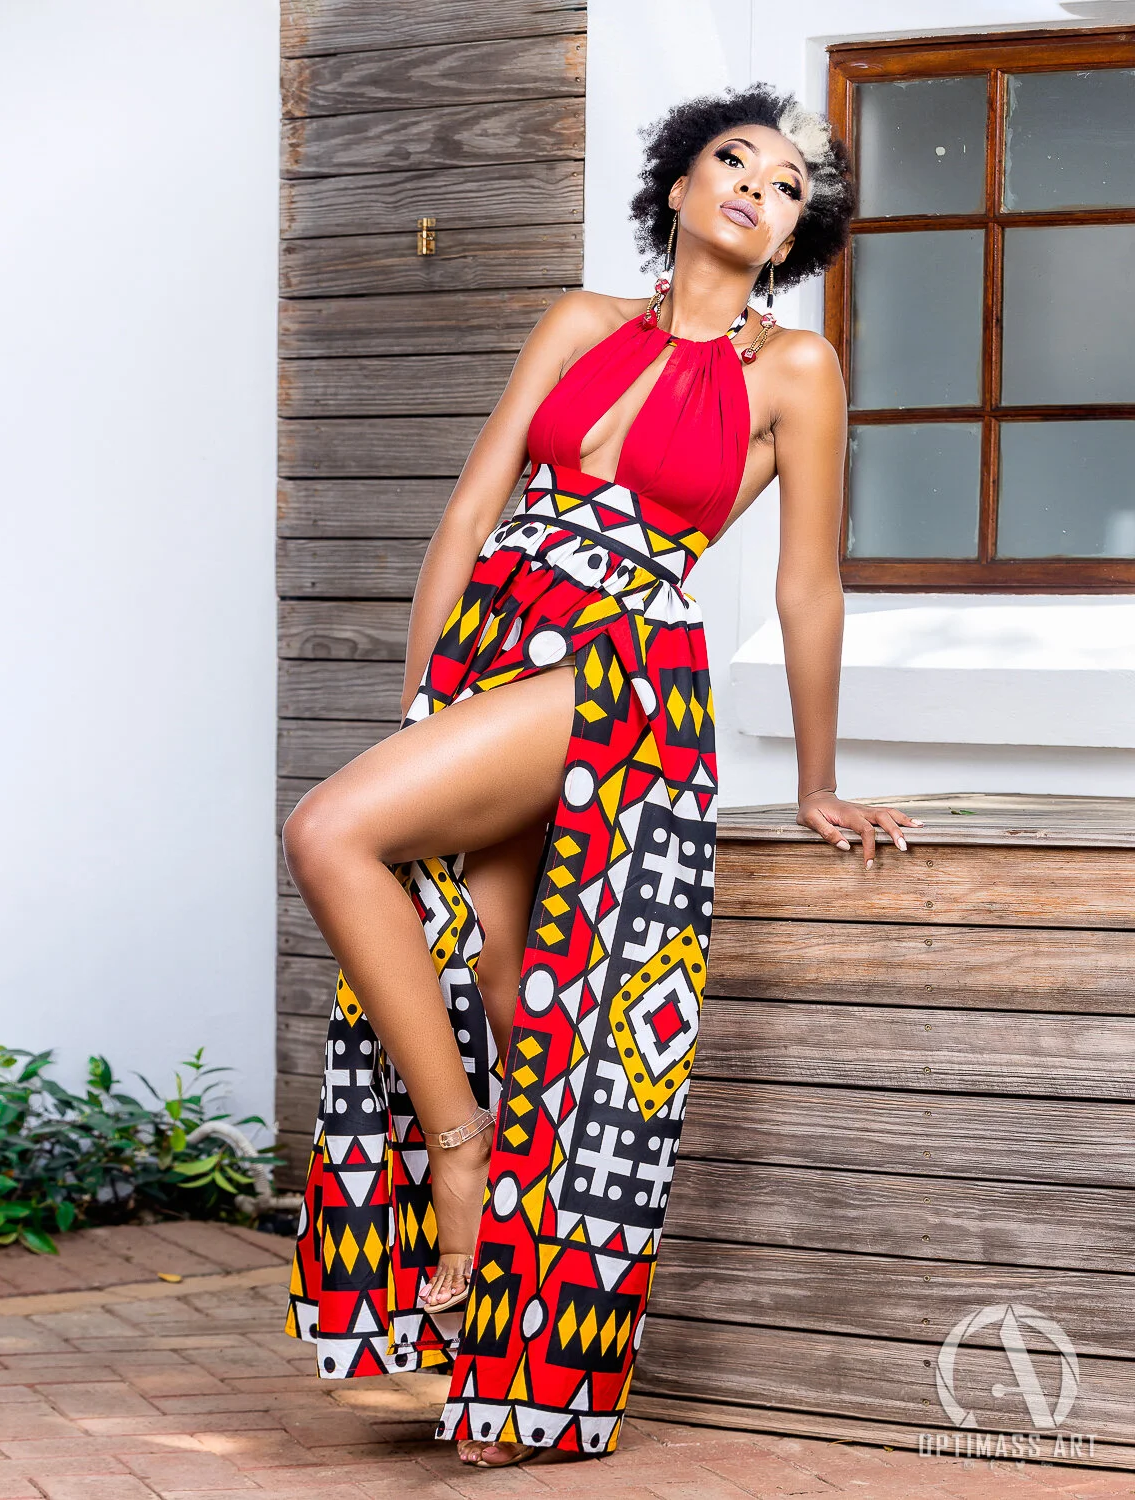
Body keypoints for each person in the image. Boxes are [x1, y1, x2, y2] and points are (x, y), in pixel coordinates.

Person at [280, 82, 922, 1471]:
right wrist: (422, 703)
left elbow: (807, 586)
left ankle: (458, 1155)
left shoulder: (796, 372)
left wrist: (816, 779)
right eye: (735, 161)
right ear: (679, 187)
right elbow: (474, 507)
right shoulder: (577, 321)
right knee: (512, 989)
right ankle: (513, 1380)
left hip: (622, 673)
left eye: (789, 188)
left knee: (330, 831)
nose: (759, 188)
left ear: (795, 238)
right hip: (495, 651)